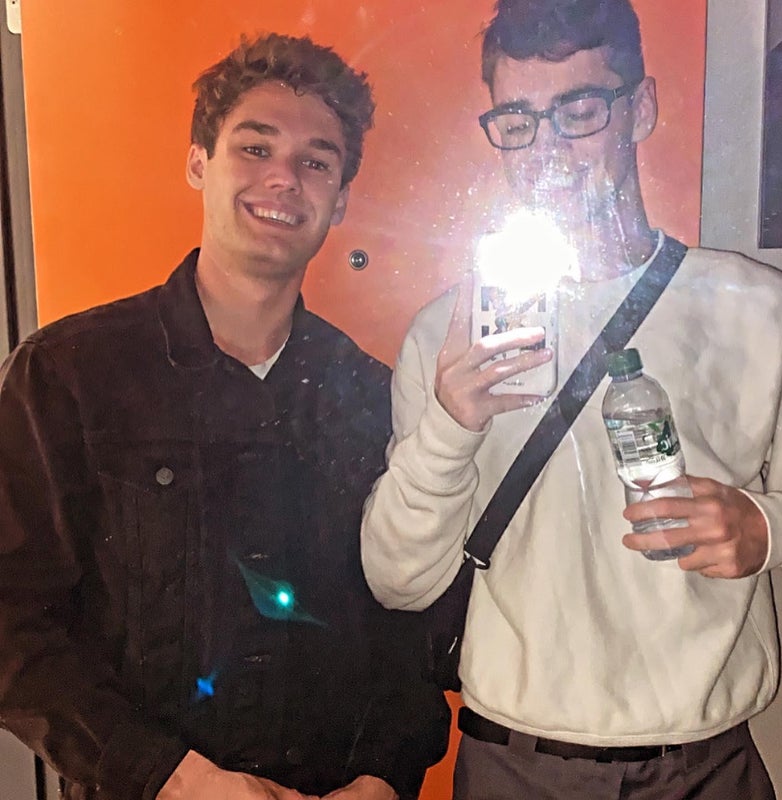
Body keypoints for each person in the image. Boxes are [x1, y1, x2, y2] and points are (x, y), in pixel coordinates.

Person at [360, 1, 782, 798]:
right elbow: (398, 581)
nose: (548, 150)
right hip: (513, 765)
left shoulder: (762, 309)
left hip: (709, 768)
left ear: (641, 108)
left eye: (581, 110)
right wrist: (451, 426)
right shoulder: (448, 335)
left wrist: (768, 528)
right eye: (519, 121)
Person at [0, 33, 449, 800]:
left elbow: (410, 627)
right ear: (198, 162)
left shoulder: (375, 397)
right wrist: (172, 778)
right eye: (255, 147)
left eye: (315, 161)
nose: (284, 178)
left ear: (340, 199)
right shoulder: (69, 375)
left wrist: (383, 775)